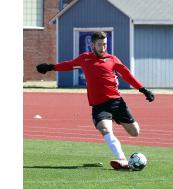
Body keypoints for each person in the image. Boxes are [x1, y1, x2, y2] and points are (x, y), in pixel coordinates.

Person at [36, 32, 154, 170]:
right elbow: (68, 65)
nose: (103, 47)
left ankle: (117, 118)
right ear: (92, 45)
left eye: (104, 44)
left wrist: (143, 90)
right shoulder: (84, 58)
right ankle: (122, 159)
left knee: (135, 132)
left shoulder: (112, 59)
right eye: (100, 44)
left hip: (116, 102)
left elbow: (127, 75)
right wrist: (50, 67)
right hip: (99, 105)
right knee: (105, 128)